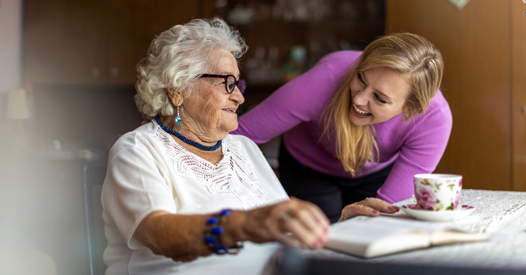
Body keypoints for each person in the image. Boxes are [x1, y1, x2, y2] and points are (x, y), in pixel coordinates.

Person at [102, 18, 399, 275]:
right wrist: (242, 225)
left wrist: (340, 225)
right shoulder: (138, 150)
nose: (240, 98)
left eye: (238, 85)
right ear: (178, 90)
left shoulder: (242, 148)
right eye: (226, 84)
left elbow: (281, 230)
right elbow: (159, 234)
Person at [233, 32, 452, 222]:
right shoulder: (327, 76)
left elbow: (388, 212)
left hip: (375, 172)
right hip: (308, 166)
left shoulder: (434, 119)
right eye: (361, 79)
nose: (359, 100)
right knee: (315, 244)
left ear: (410, 109)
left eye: (379, 98)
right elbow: (238, 135)